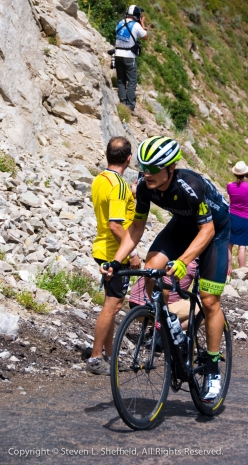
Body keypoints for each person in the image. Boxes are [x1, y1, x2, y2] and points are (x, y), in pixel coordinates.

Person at [102, 136, 231, 401]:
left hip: (214, 232)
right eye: (143, 167)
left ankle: (213, 369)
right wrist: (117, 261)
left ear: (170, 168)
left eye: (153, 168)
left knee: (208, 301)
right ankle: (167, 321)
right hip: (183, 227)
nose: (146, 173)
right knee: (152, 268)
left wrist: (184, 261)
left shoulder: (190, 186)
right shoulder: (145, 185)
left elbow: (206, 230)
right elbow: (136, 227)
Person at [87, 136, 141, 375]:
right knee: (113, 304)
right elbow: (116, 225)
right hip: (114, 251)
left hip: (102, 247)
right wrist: (133, 252)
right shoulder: (119, 186)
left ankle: (109, 355)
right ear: (129, 159)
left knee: (112, 303)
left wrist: (132, 195)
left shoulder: (101, 179)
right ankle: (96, 358)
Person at [129, 260, 199, 330]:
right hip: (153, 309)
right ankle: (162, 334)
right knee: (205, 312)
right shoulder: (194, 264)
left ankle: (161, 331)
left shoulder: (170, 254)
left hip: (134, 304)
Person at [115, 5, 148, 112]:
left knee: (121, 80)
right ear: (137, 16)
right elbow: (145, 37)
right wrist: (142, 24)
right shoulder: (136, 26)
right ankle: (130, 105)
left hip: (117, 54)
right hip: (129, 56)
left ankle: (122, 101)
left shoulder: (120, 22)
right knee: (132, 81)